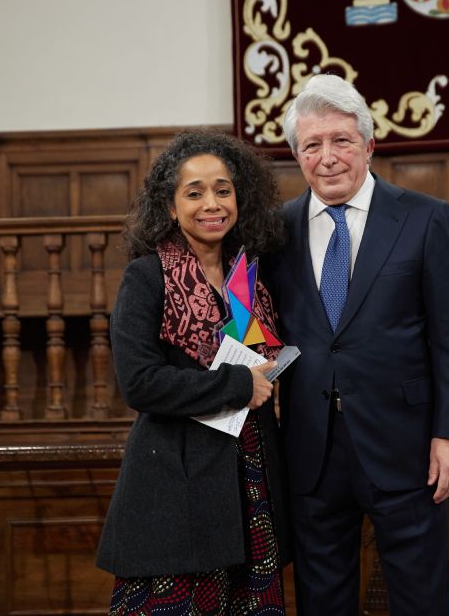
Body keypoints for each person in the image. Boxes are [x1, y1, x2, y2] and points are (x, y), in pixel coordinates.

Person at [269, 74, 449, 615]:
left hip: (405, 446)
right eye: (312, 145)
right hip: (312, 450)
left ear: (368, 144)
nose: (328, 156)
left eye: (340, 140)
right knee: (322, 600)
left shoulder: (423, 216)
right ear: (297, 155)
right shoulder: (275, 231)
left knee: (420, 598)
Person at [96, 130, 290, 614]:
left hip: (250, 477)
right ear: (169, 206)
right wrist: (238, 384)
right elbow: (139, 383)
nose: (212, 204)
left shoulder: (250, 277)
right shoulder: (146, 277)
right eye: (195, 192)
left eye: (223, 190)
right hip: (177, 485)